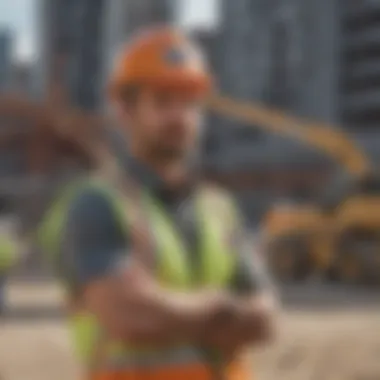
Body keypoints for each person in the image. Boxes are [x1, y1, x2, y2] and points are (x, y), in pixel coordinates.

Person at [39, 26, 278, 380]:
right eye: (163, 102)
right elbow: (129, 315)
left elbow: (266, 320)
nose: (181, 117)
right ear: (124, 112)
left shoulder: (219, 208)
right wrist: (222, 308)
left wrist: (172, 310)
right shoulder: (96, 204)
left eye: (190, 103)